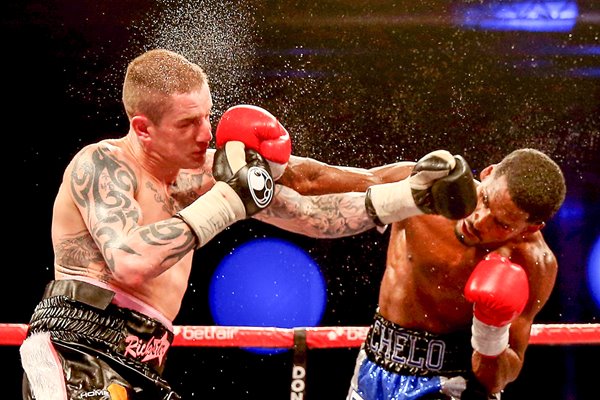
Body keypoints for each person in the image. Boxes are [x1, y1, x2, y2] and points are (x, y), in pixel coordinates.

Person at [20, 48, 472, 400]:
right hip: (79, 344)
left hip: (146, 357)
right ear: (143, 128)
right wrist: (228, 200)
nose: (206, 133)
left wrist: (409, 196)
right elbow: (128, 263)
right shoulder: (103, 165)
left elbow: (310, 212)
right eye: (188, 123)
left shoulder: (200, 175)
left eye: (207, 116)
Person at [274, 147, 566, 399]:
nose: (480, 220)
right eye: (485, 200)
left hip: (453, 384)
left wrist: (492, 332)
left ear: (530, 227)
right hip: (373, 365)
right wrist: (266, 165)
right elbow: (318, 179)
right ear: (488, 173)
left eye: (501, 224)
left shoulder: (532, 263)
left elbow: (499, 378)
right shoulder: (426, 188)